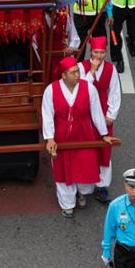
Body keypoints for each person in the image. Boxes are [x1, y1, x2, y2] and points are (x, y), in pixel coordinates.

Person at [41, 56, 112, 218]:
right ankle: (67, 204)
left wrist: (104, 134)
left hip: (84, 135)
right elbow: (47, 115)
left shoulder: (89, 89)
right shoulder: (51, 90)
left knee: (85, 165)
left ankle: (82, 193)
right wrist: (50, 137)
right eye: (73, 73)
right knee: (63, 171)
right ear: (64, 75)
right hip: (62, 137)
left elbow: (97, 113)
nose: (78, 75)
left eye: (78, 71)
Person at [81, 36, 121, 203]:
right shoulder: (81, 68)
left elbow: (114, 92)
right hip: (85, 114)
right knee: (86, 149)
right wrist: (91, 71)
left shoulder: (111, 70)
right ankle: (84, 187)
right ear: (91, 51)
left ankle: (102, 186)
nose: (99, 56)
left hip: (103, 111)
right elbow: (82, 90)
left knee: (104, 150)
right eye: (96, 52)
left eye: (102, 52)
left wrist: (111, 115)